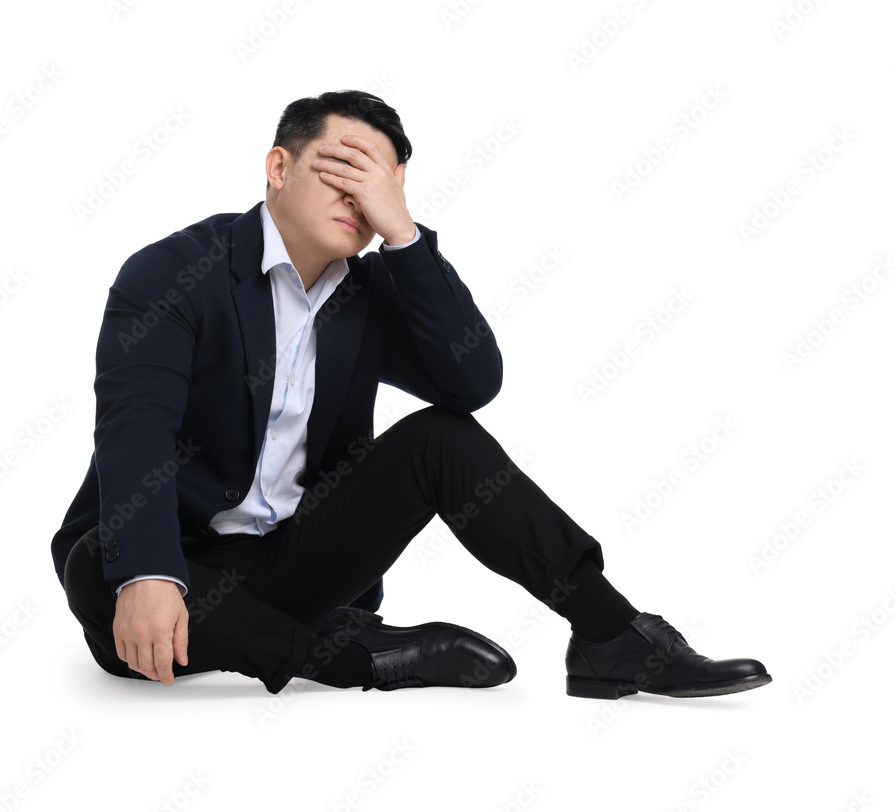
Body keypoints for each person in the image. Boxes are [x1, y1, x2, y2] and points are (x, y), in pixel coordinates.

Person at [52, 89, 772, 699]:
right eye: (342, 170)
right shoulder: (173, 274)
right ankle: (361, 656)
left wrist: (402, 236)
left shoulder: (369, 292)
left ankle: (612, 636)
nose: (357, 198)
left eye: (378, 184)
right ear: (279, 167)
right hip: (175, 560)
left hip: (293, 563)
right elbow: (135, 426)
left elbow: (471, 383)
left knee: (442, 440)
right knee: (98, 568)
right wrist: (148, 572)